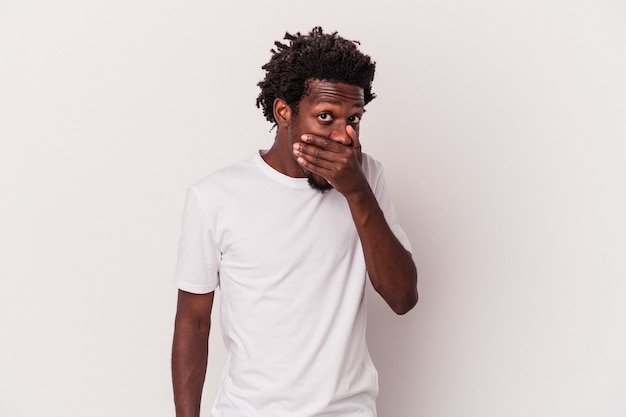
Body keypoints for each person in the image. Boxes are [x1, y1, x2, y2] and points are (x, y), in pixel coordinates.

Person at [171, 27, 418, 417]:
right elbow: (193, 322)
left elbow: (403, 298)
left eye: (354, 118)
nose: (344, 136)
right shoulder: (215, 196)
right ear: (283, 112)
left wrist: (356, 191)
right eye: (326, 117)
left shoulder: (367, 178)